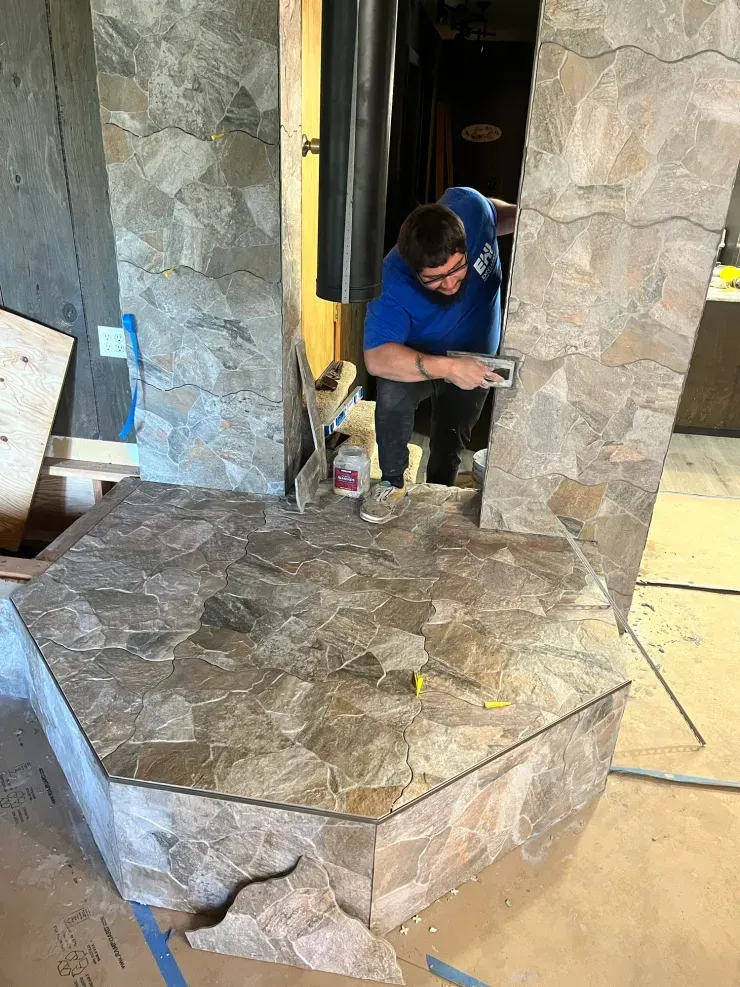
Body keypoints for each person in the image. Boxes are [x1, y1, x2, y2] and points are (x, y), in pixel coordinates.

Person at [359, 186, 517, 524]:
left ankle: (437, 492)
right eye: (434, 279)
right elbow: (376, 358)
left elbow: (494, 211)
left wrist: (528, 219)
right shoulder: (390, 281)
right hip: (419, 356)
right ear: (413, 270)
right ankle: (392, 482)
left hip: (476, 358)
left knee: (451, 439)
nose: (449, 283)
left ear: (463, 243)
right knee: (391, 394)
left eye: (456, 269)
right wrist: (447, 367)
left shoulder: (469, 206)